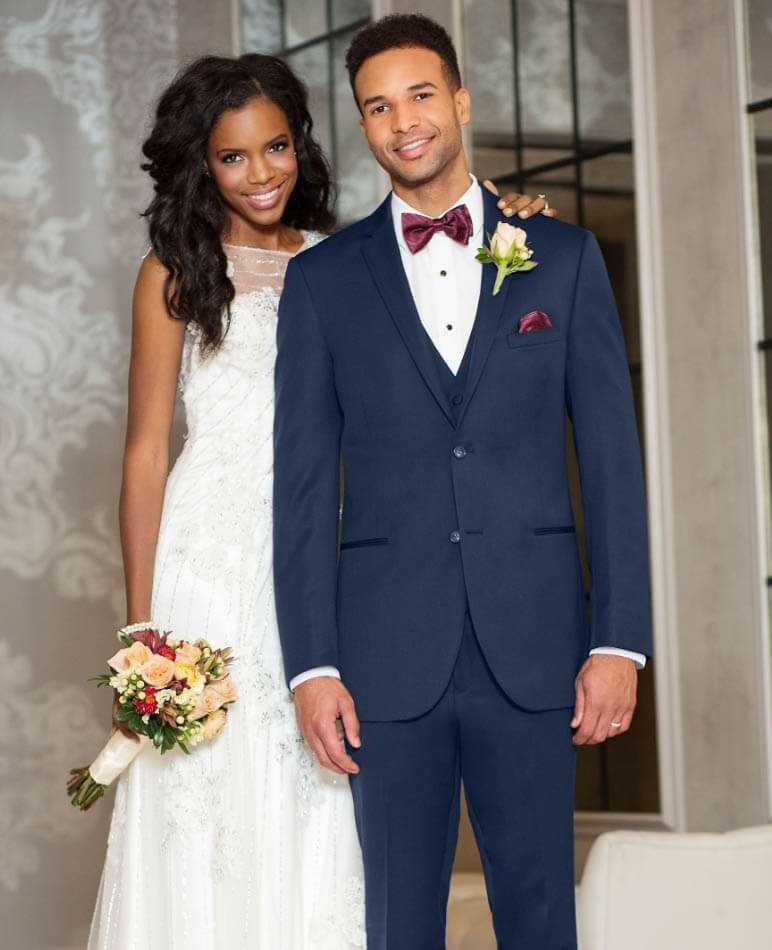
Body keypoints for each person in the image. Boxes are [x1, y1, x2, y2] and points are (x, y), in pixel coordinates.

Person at [88, 51, 546, 949]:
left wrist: (508, 211)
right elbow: (145, 456)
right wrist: (141, 636)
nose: (261, 173)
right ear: (202, 164)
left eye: (278, 147)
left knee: (324, 790)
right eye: (233, 157)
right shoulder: (174, 272)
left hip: (328, 560)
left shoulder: (350, 262)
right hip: (210, 565)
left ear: (302, 146)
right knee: (206, 795)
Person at [273, 14, 651, 950]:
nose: (403, 120)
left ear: (462, 100)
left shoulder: (561, 260)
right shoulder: (322, 283)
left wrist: (622, 643)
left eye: (421, 94)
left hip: (537, 649)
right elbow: (304, 488)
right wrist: (313, 666)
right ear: (362, 126)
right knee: (398, 922)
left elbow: (610, 461)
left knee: (537, 915)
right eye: (377, 106)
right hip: (383, 657)